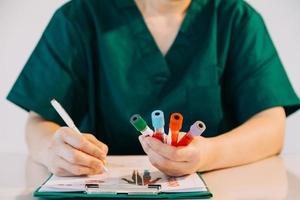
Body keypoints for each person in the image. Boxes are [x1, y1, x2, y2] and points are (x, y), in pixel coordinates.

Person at [7, 0, 300, 177]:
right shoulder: (79, 17)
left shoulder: (235, 18)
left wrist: (208, 153)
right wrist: (52, 150)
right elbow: (39, 121)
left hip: (217, 187)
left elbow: (271, 126)